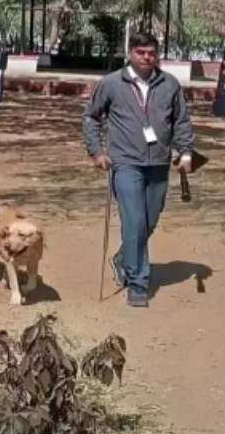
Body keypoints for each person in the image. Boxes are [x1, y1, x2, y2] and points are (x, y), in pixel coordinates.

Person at [83, 32, 196, 308]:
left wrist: (185, 151)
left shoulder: (170, 84)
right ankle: (137, 282)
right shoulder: (111, 83)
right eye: (140, 52)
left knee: (149, 220)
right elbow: (91, 117)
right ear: (130, 53)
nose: (146, 57)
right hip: (124, 162)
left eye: (151, 53)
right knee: (133, 221)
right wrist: (97, 151)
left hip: (159, 162)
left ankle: (124, 258)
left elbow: (181, 121)